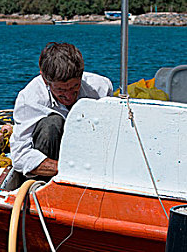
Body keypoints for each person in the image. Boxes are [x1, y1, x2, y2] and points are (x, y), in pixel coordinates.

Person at [7, 42, 113, 189]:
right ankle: (45, 186)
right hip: (53, 164)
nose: (69, 96)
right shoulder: (30, 99)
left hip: (89, 159)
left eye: (74, 87)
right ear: (45, 80)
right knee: (51, 124)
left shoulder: (101, 88)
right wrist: (68, 169)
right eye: (61, 90)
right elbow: (20, 157)